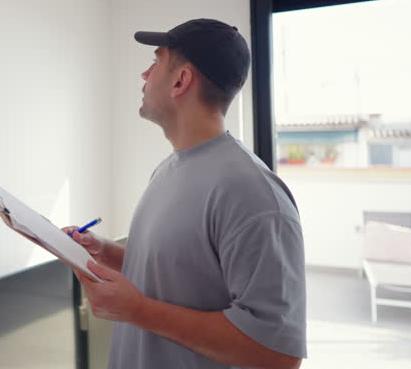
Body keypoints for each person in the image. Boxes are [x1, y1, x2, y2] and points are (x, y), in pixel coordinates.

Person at [63, 19, 306, 369]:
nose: (144, 74)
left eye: (155, 61)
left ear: (181, 80)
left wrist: (137, 310)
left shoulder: (252, 193)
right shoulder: (167, 170)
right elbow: (177, 271)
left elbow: (277, 355)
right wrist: (104, 251)